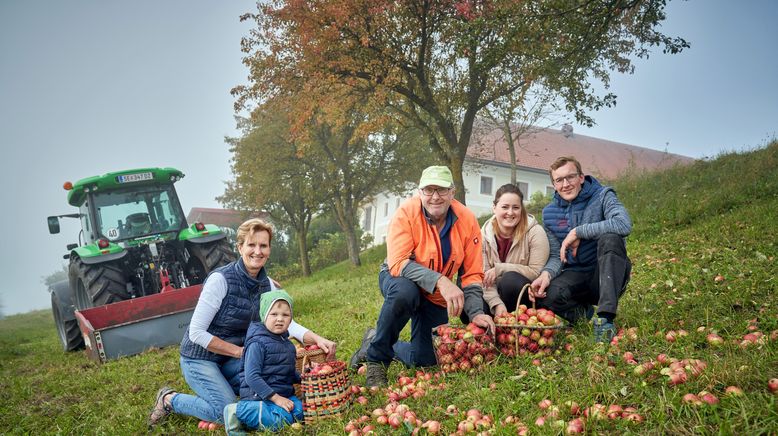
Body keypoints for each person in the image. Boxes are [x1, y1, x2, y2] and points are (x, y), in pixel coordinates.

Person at [148, 218, 336, 428]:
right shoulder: (220, 280)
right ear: (240, 247)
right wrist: (240, 353)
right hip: (200, 358)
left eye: (263, 245)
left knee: (269, 377)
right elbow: (196, 333)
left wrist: (317, 339)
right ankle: (170, 399)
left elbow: (286, 324)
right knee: (225, 412)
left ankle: (223, 388)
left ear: (269, 249)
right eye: (251, 245)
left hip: (234, 357)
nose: (258, 251)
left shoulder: (269, 287)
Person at [350, 165, 495, 387]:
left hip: (435, 295)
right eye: (429, 190)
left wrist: (475, 312)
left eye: (442, 190)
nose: (435, 197)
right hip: (399, 278)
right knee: (404, 293)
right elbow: (398, 263)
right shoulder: (406, 214)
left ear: (452, 192)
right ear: (420, 192)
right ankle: (377, 360)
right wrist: (440, 280)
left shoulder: (467, 220)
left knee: (426, 359)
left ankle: (372, 340)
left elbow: (472, 274)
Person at [529, 156, 632, 343]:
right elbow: (555, 254)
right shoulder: (549, 212)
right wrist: (546, 274)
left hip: (606, 272)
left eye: (571, 177)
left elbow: (623, 224)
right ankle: (584, 315)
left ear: (581, 178)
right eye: (559, 180)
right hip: (576, 273)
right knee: (547, 296)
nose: (566, 184)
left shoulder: (603, 196)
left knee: (611, 238)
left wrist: (579, 232)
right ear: (553, 184)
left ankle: (605, 319)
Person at [223, 289, 303, 434]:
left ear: (290, 319)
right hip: (258, 398)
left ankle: (260, 418)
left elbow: (288, 372)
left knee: (300, 413)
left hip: (283, 394)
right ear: (264, 316)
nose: (280, 319)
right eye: (274, 314)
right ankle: (237, 411)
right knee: (281, 421)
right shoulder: (257, 343)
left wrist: (303, 377)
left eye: (285, 315)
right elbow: (252, 377)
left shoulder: (289, 345)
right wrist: (276, 398)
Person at [481, 183, 550, 316]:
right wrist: (496, 303)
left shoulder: (535, 232)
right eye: (505, 207)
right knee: (471, 300)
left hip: (524, 295)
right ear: (494, 208)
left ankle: (520, 320)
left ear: (521, 209)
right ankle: (498, 321)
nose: (510, 212)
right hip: (495, 294)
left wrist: (500, 269)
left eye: (516, 207)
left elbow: (536, 272)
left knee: (510, 280)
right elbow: (484, 278)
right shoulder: (483, 235)